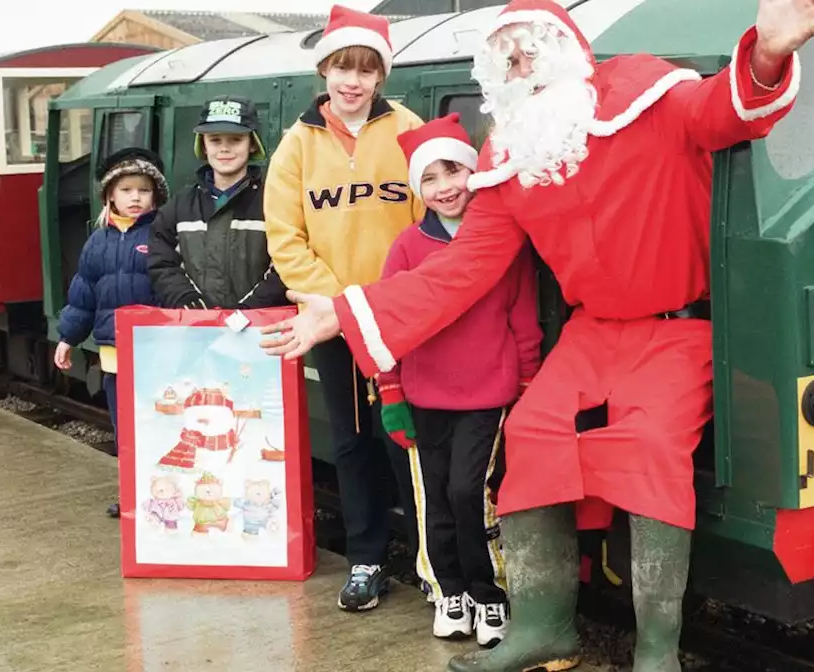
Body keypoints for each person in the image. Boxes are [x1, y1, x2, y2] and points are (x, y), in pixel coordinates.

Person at [259, 0, 814, 669]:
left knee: (649, 448)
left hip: (677, 328)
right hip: (593, 333)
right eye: (507, 59)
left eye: (531, 48)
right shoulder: (509, 157)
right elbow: (463, 271)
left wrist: (766, 55)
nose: (521, 65)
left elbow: (723, 112)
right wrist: (344, 311)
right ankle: (543, 625)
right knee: (530, 436)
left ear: (568, 47)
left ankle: (656, 651)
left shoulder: (645, 93)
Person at [262, 3, 428, 612]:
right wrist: (337, 305)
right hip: (332, 324)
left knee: (409, 444)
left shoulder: (408, 129)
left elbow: (425, 226)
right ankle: (366, 559)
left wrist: (386, 303)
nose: (352, 81)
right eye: (341, 67)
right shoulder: (296, 146)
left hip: (401, 323)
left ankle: (432, 564)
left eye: (364, 69)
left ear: (381, 76)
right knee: (354, 445)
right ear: (324, 71)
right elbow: (285, 238)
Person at [378, 113, 542, 646]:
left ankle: (488, 593)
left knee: (468, 491)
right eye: (430, 178)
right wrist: (391, 390)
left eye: (454, 172)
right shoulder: (406, 247)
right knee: (434, 499)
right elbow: (388, 320)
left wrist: (525, 385)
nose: (445, 187)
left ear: (474, 172)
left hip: (486, 394)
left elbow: (522, 316)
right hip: (424, 395)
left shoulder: (502, 241)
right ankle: (449, 590)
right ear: (417, 188)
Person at [54, 147, 169, 519]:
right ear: (110, 196)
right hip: (115, 354)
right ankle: (134, 495)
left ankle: (168, 494)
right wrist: (68, 336)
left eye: (144, 190)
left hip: (158, 351)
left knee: (163, 425)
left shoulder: (163, 235)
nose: (135, 197)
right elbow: (83, 295)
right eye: (126, 190)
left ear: (156, 196)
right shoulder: (97, 242)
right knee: (127, 429)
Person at [147, 95, 288, 310]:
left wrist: (250, 309)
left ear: (253, 144)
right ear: (202, 145)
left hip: (263, 331)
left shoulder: (275, 201)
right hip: (196, 331)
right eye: (215, 140)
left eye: (235, 139)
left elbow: (289, 260)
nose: (224, 148)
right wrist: (185, 298)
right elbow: (161, 260)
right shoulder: (180, 206)